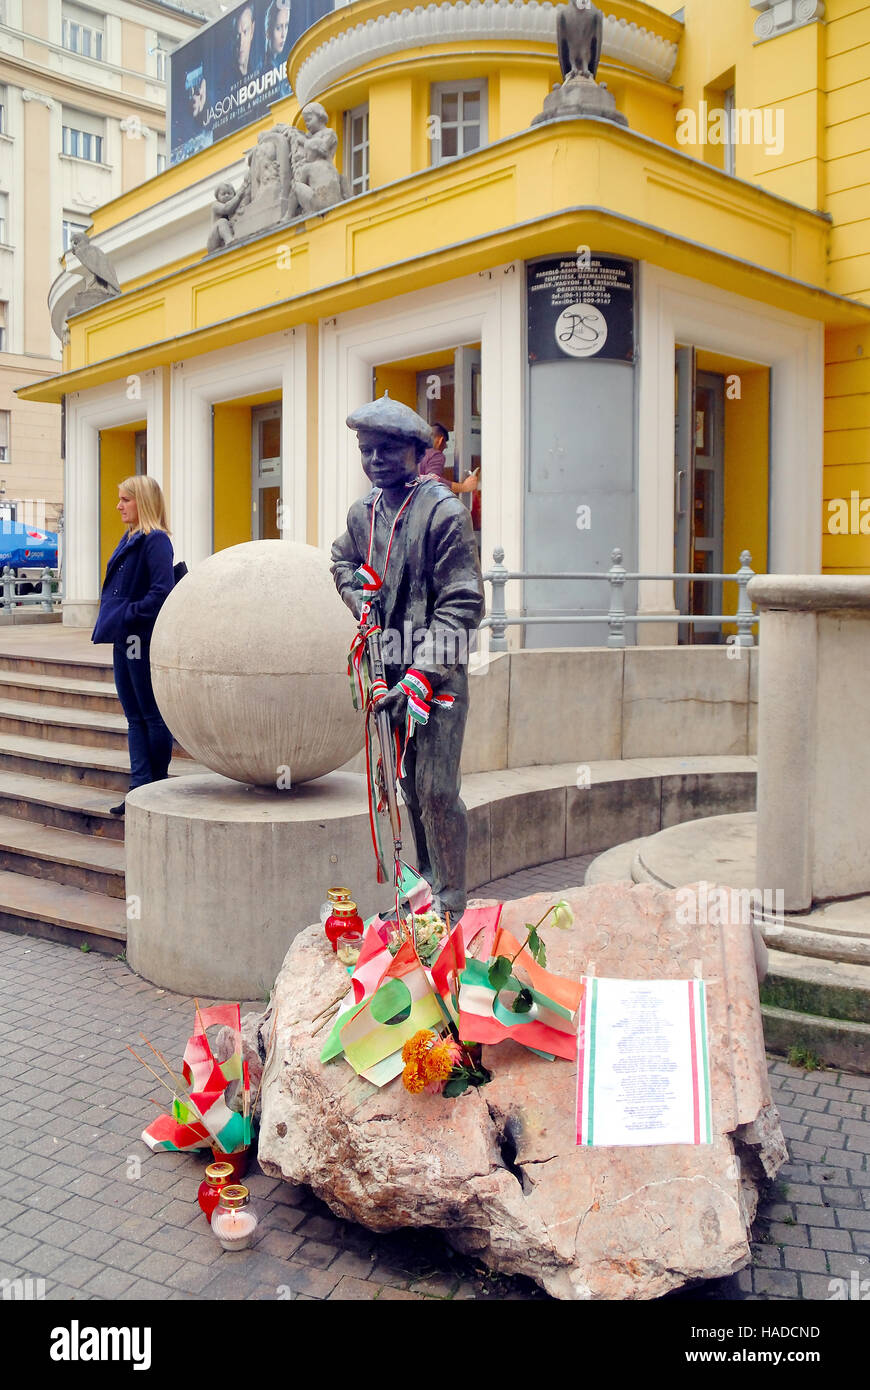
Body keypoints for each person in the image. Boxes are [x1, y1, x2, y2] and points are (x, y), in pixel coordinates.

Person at [331, 396, 485, 918]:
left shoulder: (444, 512)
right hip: (385, 676)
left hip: (434, 680)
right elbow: (341, 563)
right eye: (365, 450)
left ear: (420, 452)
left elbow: (462, 602)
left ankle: (453, 901)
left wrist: (421, 676)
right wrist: (358, 594)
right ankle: (425, 894)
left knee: (437, 790)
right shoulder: (361, 515)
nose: (374, 460)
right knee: (408, 792)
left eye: (387, 449)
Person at [91, 477, 176, 817]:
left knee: (150, 715)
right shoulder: (131, 538)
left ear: (143, 502)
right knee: (133, 717)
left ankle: (156, 786)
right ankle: (139, 790)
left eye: (125, 499)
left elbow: (160, 593)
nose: (119, 505)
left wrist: (126, 614)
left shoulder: (156, 541)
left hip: (139, 637)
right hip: (124, 636)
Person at [419, 422, 479, 495]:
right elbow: (432, 481)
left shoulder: (413, 453)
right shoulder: (435, 454)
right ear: (440, 440)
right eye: (445, 443)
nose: (446, 447)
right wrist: (464, 487)